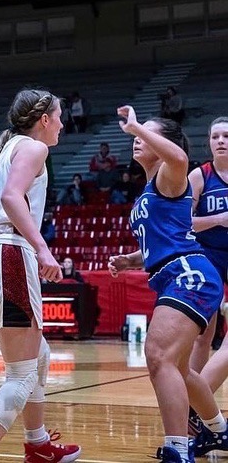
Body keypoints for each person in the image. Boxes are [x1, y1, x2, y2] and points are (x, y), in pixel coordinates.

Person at [0, 89, 80, 463]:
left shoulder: (6, 148)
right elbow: (12, 198)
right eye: (59, 116)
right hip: (8, 254)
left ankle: (39, 444)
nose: (62, 123)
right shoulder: (32, 147)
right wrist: (43, 248)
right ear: (44, 119)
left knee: (37, 355)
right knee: (22, 375)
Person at [108, 107, 228, 462]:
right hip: (178, 273)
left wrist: (135, 127)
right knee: (178, 368)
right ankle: (220, 431)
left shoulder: (170, 174)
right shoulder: (150, 186)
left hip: (188, 274)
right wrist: (130, 260)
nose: (136, 139)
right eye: (135, 134)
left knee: (158, 355)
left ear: (161, 142)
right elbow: (162, 242)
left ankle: (178, 449)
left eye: (145, 134)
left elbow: (179, 156)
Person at [187, 117, 228, 434]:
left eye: (226, 136)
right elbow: (184, 222)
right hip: (208, 256)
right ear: (209, 142)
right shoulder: (200, 175)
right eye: (215, 136)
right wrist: (218, 218)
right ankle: (192, 400)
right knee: (204, 333)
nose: (220, 141)